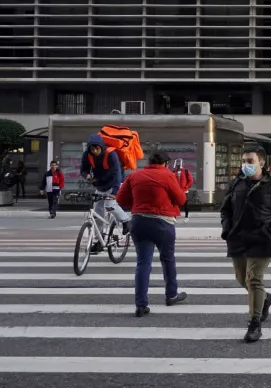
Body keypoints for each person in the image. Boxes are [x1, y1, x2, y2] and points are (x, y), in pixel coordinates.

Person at [220, 145, 271, 343]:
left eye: (250, 161)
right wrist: (227, 228)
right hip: (238, 238)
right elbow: (225, 209)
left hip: (262, 239)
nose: (246, 165)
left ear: (261, 162)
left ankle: (255, 323)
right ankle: (265, 298)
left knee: (253, 280)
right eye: (243, 161)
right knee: (241, 279)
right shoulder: (237, 183)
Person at [116, 150, 189, 317]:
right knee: (167, 258)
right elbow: (181, 200)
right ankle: (171, 295)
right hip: (162, 222)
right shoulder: (167, 175)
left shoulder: (135, 176)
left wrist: (137, 204)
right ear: (165, 163)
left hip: (139, 221)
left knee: (143, 263)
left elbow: (120, 199)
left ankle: (141, 305)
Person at [80, 134, 132, 250]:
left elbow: (117, 175)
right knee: (98, 213)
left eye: (96, 148)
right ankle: (99, 241)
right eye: (92, 149)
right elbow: (83, 169)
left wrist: (114, 193)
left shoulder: (111, 154)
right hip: (100, 185)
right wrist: (87, 175)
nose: (94, 151)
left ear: (101, 147)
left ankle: (126, 221)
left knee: (109, 205)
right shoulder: (87, 155)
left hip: (115, 183)